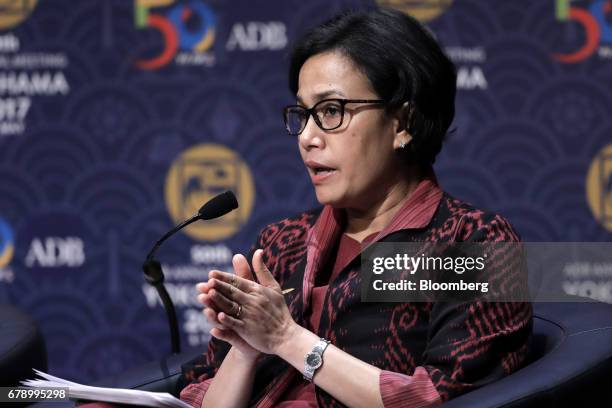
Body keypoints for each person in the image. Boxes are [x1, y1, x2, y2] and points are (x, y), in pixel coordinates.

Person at [178, 8, 532, 408]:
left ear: (403, 123)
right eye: (303, 114)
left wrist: (286, 338)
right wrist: (246, 348)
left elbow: (436, 397)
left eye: (331, 111)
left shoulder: (470, 242)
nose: (308, 137)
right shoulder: (282, 244)